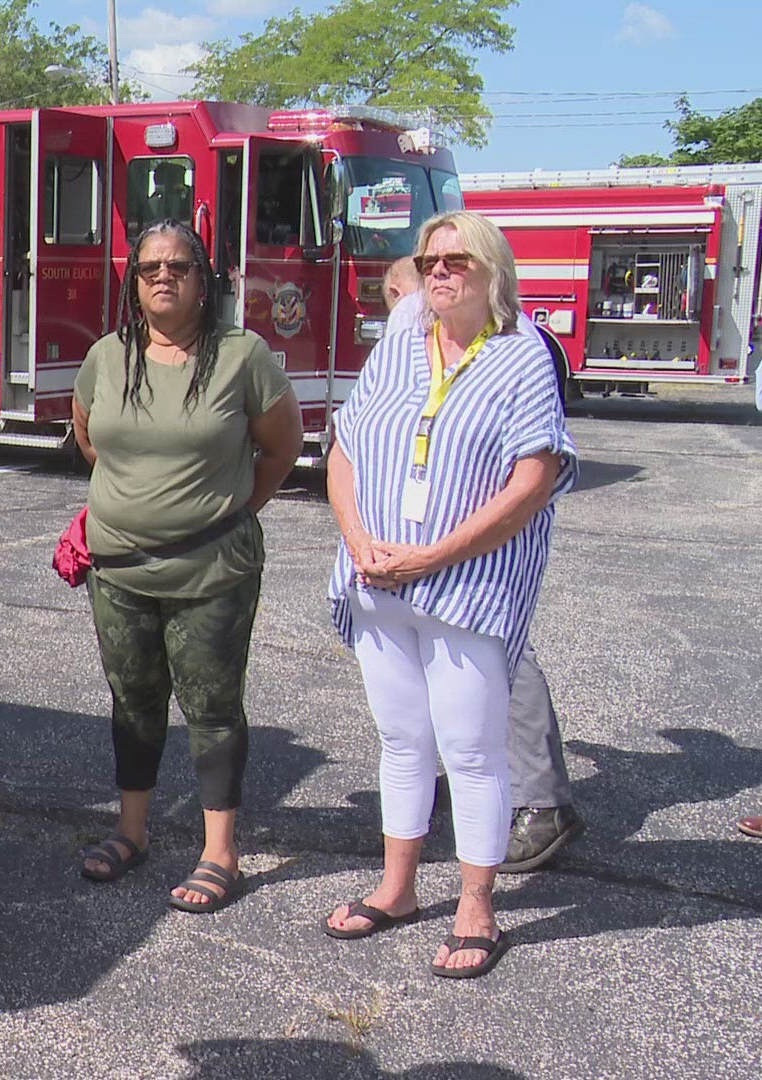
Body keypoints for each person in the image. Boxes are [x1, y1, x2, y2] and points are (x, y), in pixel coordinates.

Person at [323, 211, 577, 978]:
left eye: (457, 260)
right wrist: (360, 538)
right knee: (402, 742)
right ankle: (397, 887)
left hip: (466, 585)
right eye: (430, 259)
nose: (440, 271)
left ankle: (476, 907)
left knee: (470, 750)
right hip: (377, 579)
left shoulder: (522, 352)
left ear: (491, 270)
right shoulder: (402, 338)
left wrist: (433, 554)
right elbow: (344, 445)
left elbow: (533, 479)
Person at [69, 221, 302, 912]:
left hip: (212, 573)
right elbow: (90, 439)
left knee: (212, 708)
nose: (162, 278)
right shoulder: (107, 356)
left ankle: (219, 852)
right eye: (148, 269)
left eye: (178, 267)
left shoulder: (242, 355)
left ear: (205, 278)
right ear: (133, 283)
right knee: (133, 704)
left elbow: (280, 449)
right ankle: (131, 832)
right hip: (119, 571)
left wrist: (224, 511)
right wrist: (133, 507)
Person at [383, 256, 587, 873]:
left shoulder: (510, 343)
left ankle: (541, 803)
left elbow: (533, 469)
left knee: (502, 658)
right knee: (459, 675)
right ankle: (478, 782)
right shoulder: (429, 336)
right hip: (427, 544)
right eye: (430, 267)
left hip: (476, 548)